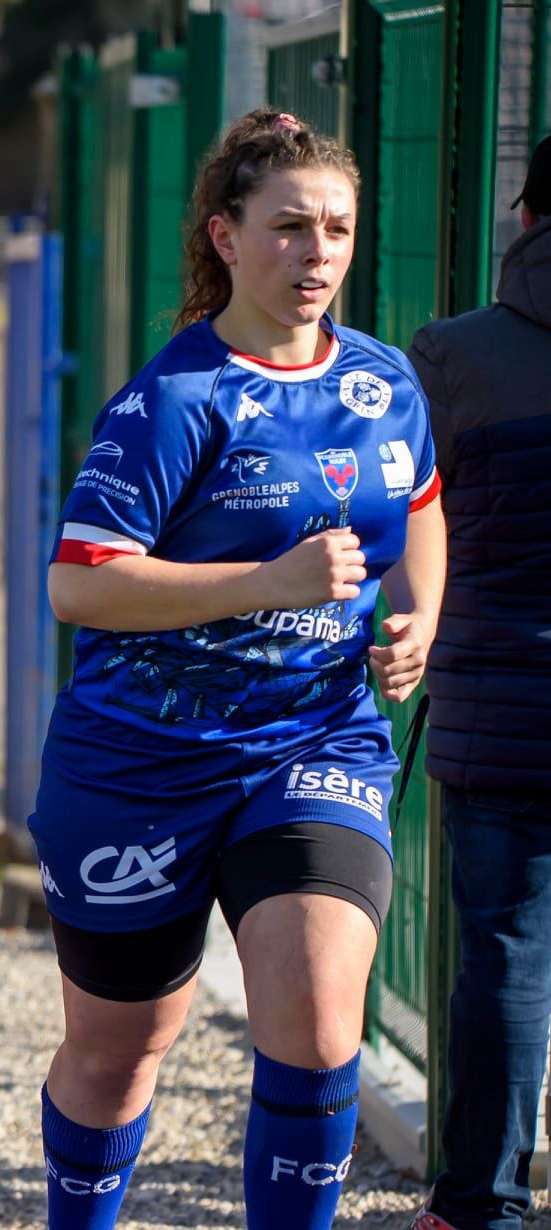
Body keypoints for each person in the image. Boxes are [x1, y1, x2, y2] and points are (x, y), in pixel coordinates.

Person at [28, 108, 444, 1230]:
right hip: (139, 761)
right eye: (291, 229)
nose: (319, 256)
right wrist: (267, 582)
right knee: (121, 1053)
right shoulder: (175, 399)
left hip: (314, 741)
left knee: (316, 1026)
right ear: (226, 236)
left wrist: (420, 616)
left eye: (340, 231)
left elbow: (418, 501)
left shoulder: (384, 379)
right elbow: (80, 583)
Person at [404, 135, 551, 1230]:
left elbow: (407, 519)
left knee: (504, 955)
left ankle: (478, 1204)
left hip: (505, 704)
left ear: (526, 216)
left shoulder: (451, 353)